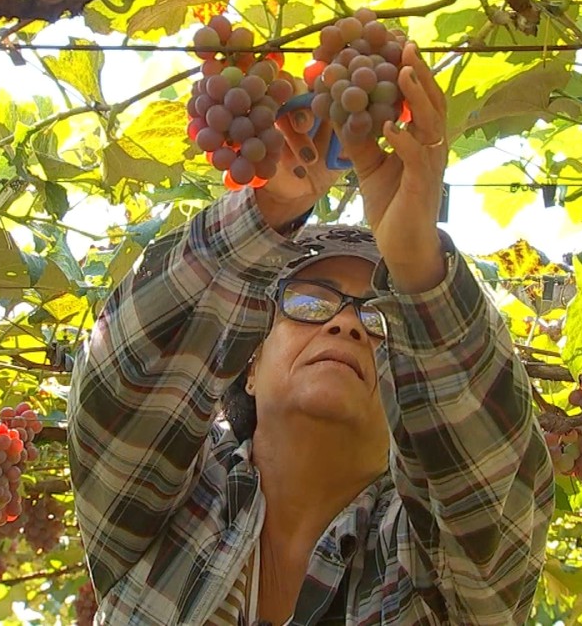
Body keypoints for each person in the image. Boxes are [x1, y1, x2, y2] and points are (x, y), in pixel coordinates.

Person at [67, 41, 555, 625]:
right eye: (309, 302)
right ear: (247, 365)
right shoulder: (161, 518)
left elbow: (496, 484)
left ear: (410, 391)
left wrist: (418, 264)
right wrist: (271, 203)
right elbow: (122, 383)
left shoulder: (431, 570)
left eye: (376, 318)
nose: (346, 321)